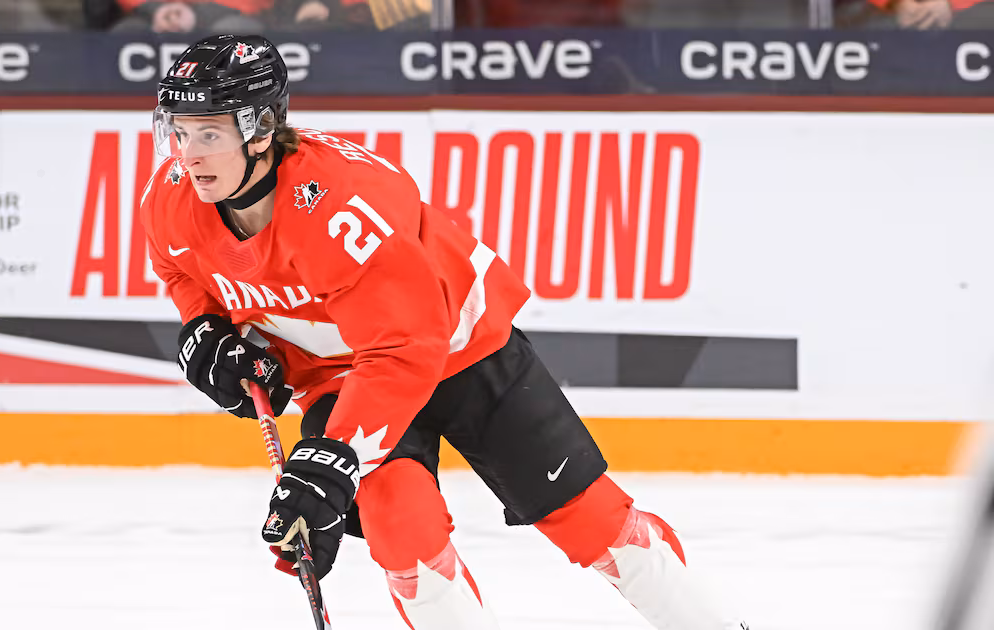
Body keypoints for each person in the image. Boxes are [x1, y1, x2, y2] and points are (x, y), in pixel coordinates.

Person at [140, 33, 749, 630]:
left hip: (462, 353)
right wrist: (210, 330)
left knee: (595, 524)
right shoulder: (169, 200)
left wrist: (335, 455)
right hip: (343, 378)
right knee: (405, 544)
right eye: (181, 131)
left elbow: (404, 352)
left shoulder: (344, 207)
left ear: (261, 131)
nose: (188, 154)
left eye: (210, 133)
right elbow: (180, 267)